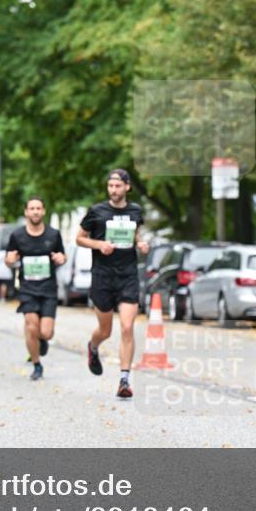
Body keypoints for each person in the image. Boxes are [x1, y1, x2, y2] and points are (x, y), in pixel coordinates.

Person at [76, 169, 149, 398]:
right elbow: (79, 237)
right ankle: (93, 346)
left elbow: (136, 234)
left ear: (127, 187)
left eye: (118, 186)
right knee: (105, 330)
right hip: (103, 276)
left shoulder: (135, 210)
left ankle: (124, 380)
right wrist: (99, 245)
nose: (114, 190)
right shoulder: (97, 211)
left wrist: (141, 244)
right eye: (110, 186)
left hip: (128, 275)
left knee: (127, 327)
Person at [5, 197, 66, 381]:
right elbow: (9, 259)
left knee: (46, 332)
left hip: (48, 289)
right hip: (27, 289)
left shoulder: (53, 234)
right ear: (26, 212)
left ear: (44, 211)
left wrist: (61, 259)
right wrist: (10, 261)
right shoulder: (17, 235)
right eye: (32, 208)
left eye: (39, 208)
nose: (35, 211)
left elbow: (62, 255)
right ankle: (37, 364)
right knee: (31, 327)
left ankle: (42, 340)